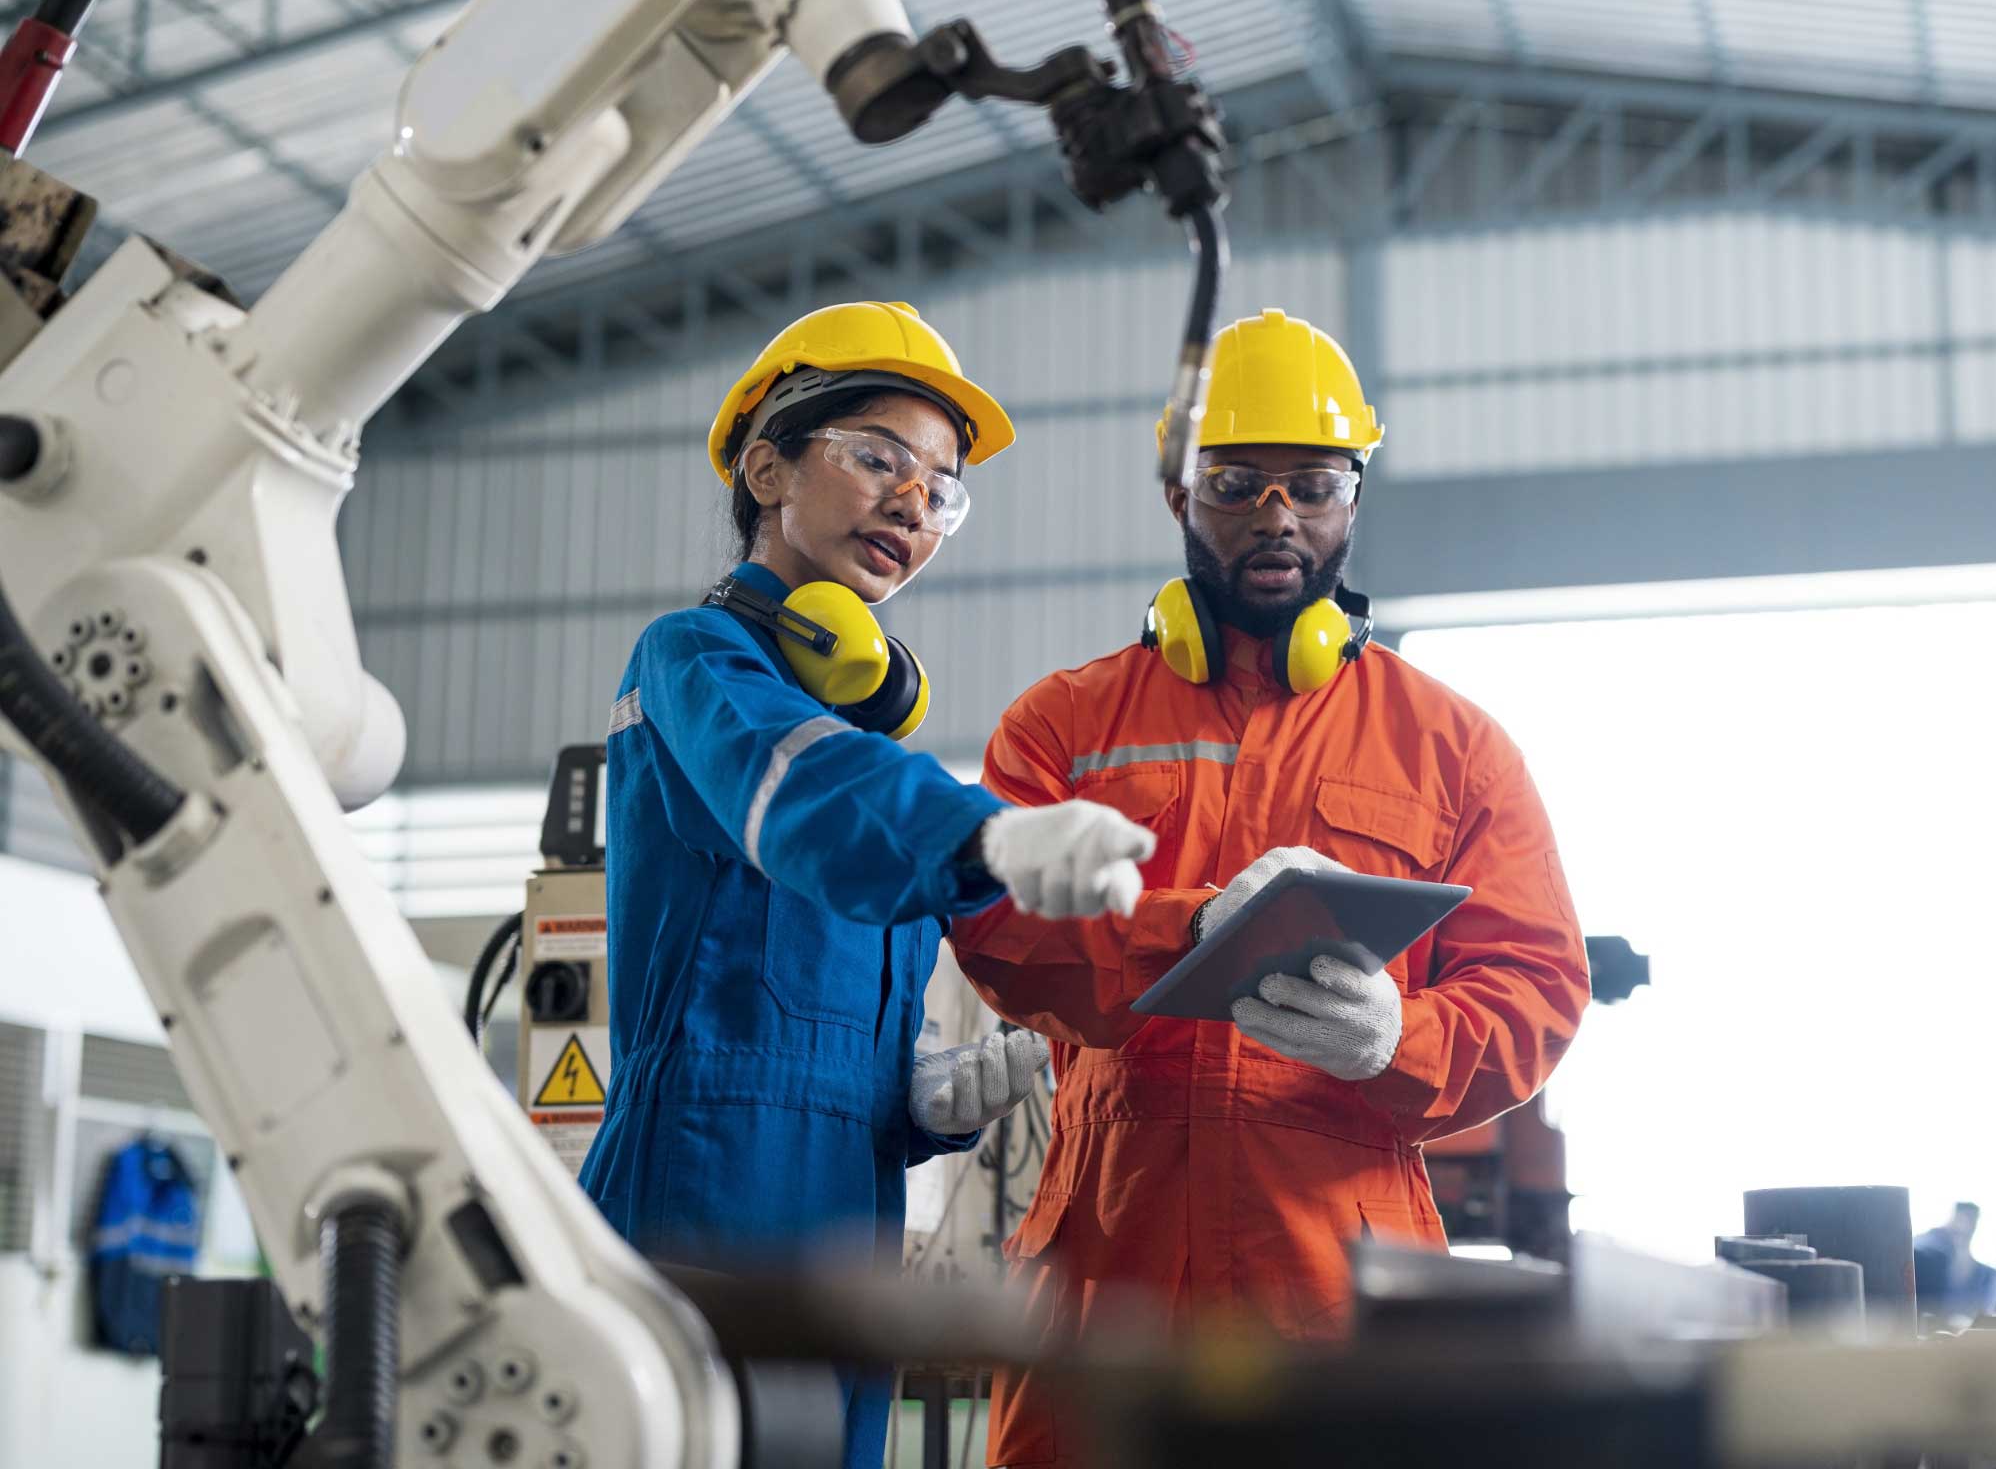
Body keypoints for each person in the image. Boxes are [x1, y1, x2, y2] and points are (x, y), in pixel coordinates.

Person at [948, 308, 1593, 1467]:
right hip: (1111, 1270)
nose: (1276, 516)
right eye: (1237, 485)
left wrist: (1402, 1035)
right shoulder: (1064, 726)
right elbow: (994, 926)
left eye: (1311, 484)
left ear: (1356, 499)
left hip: (1338, 1287)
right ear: (1179, 498)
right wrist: (1184, 935)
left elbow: (1538, 984)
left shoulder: (1453, 746)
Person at [578, 301, 1157, 1469]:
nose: (913, 504)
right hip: (700, 1179)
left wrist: (910, 1102)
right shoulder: (694, 663)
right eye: (880, 458)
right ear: (767, 465)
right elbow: (799, 805)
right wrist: (995, 835)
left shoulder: (871, 750)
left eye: (941, 488)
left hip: (848, 1196)